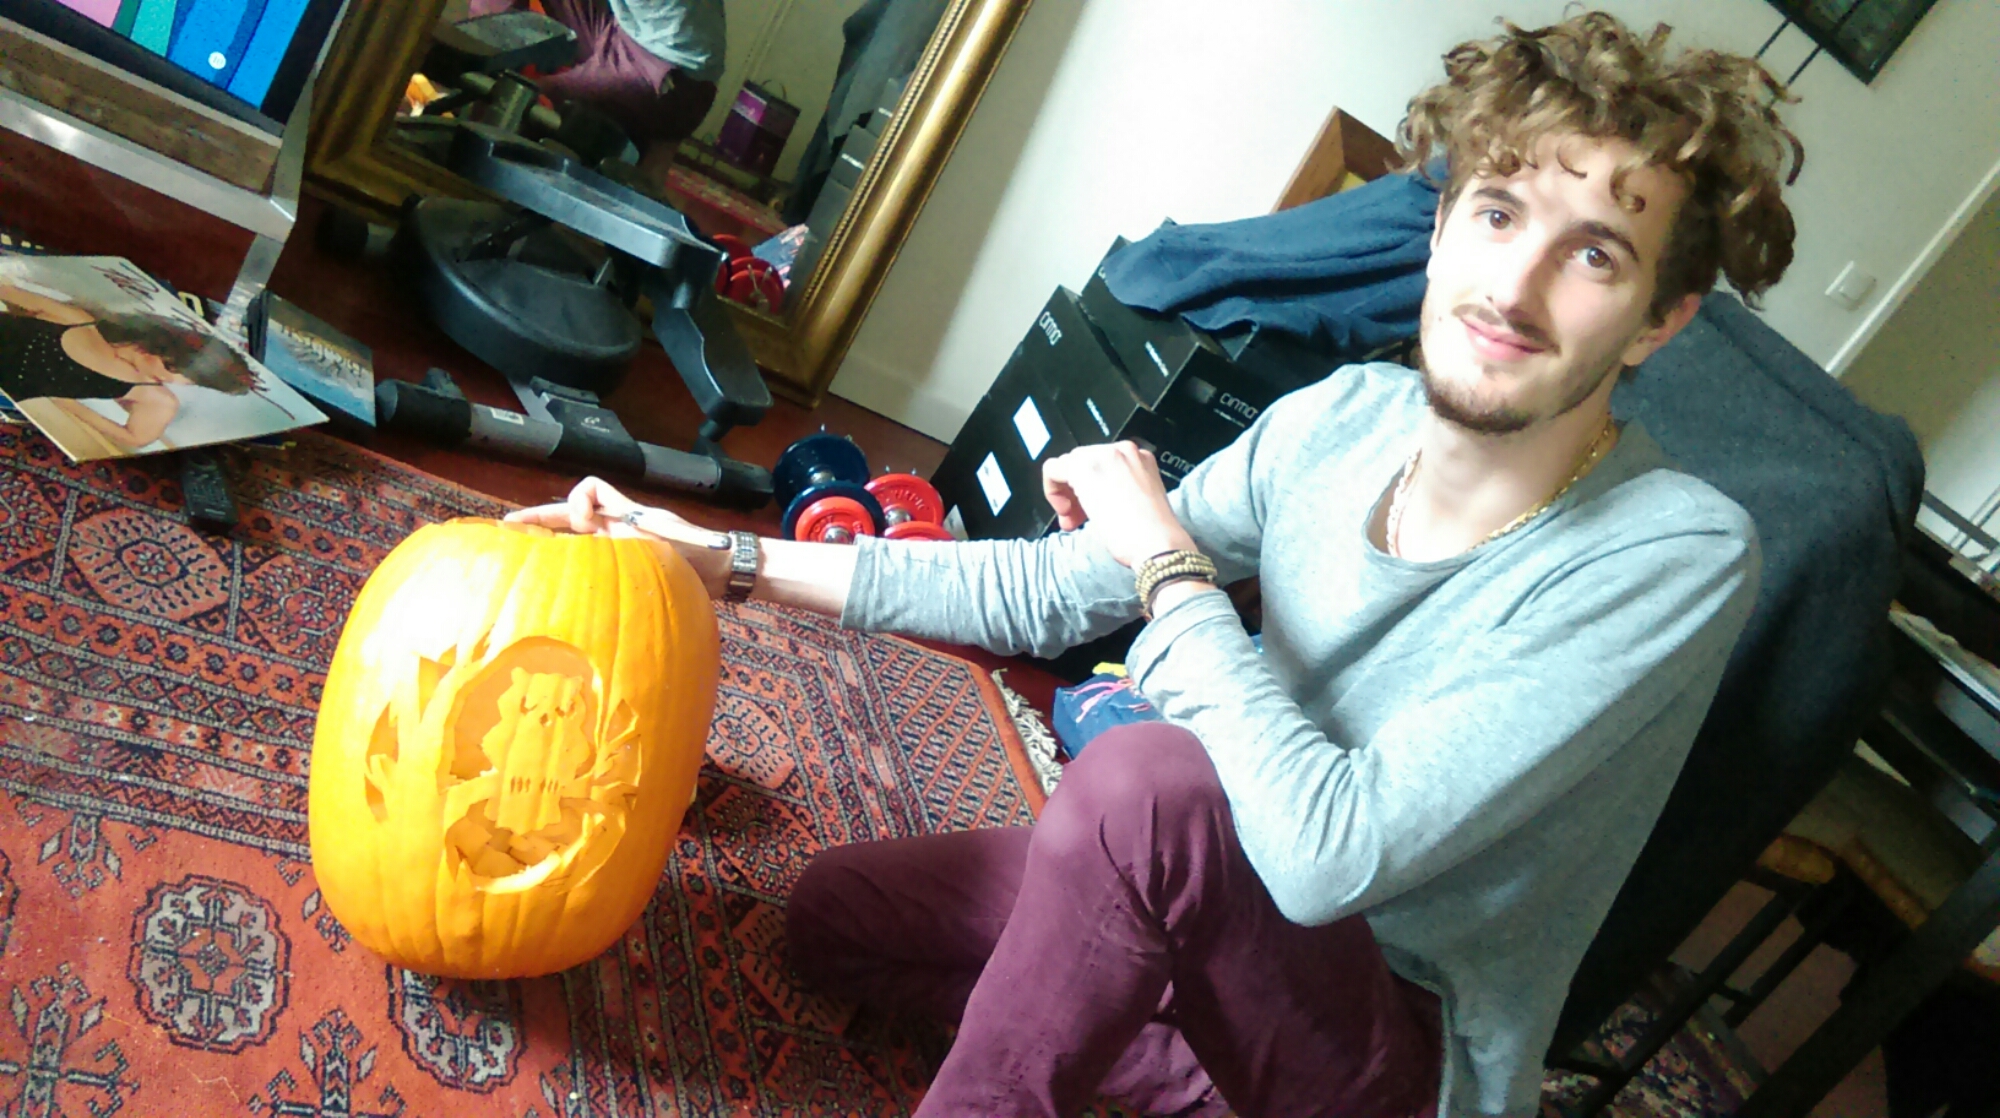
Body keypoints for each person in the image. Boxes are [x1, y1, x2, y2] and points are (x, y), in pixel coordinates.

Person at [507, 11, 1802, 1116]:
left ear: (1658, 321)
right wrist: (723, 558)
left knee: (1144, 788)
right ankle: (1168, 1053)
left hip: (1394, 1042)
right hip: (1209, 909)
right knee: (840, 917)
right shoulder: (1338, 419)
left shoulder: (1677, 549)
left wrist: (1169, 565)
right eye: (1499, 212)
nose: (1513, 288)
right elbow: (1044, 588)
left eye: (1593, 253)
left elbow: (1328, 855)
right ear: (1442, 226)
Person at [467, 0, 725, 189]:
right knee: (512, 89)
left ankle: (471, 163)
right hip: (629, 35)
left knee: (523, 97)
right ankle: (475, 57)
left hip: (666, 73)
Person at [0, 284, 257, 450]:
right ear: (163, 347)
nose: (171, 379)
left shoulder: (154, 395)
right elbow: (8, 292)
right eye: (173, 368)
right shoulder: (79, 319)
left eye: (191, 380)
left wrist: (68, 405)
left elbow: (137, 438)